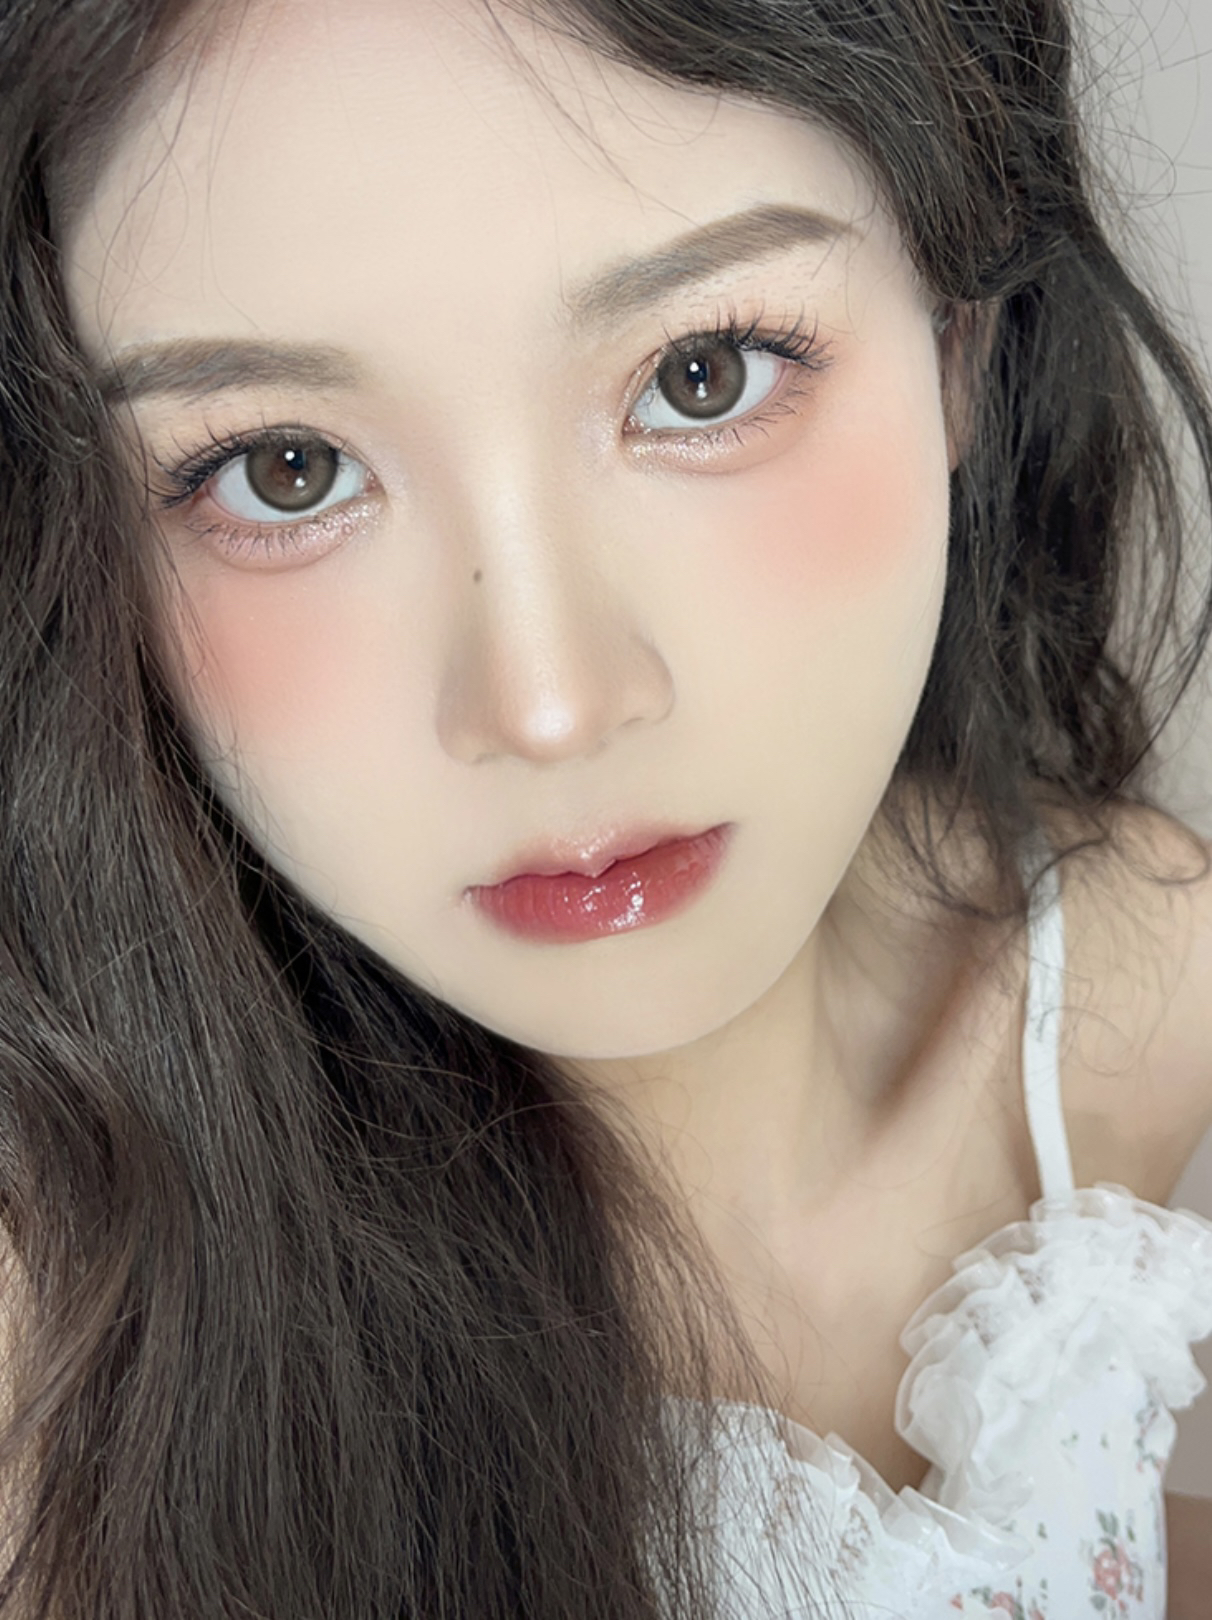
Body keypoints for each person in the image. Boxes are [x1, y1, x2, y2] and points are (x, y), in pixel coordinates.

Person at [2, 0, 1212, 1613]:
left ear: (958, 345)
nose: (552, 705)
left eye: (703, 378)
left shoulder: (1141, 1002)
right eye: (285, 468)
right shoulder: (56, 1344)